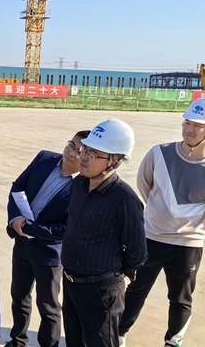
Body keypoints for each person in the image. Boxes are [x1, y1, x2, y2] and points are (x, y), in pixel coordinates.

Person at [119, 97, 205, 347]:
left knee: (181, 299)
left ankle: (172, 341)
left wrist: (195, 229)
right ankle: (119, 334)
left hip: (187, 246)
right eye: (187, 122)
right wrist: (158, 215)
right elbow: (144, 185)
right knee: (135, 290)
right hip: (150, 238)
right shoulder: (158, 153)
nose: (189, 129)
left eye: (197, 125)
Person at [61, 118, 147, 347]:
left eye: (93, 153)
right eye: (85, 149)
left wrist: (114, 275)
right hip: (70, 283)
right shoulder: (78, 184)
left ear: (114, 161)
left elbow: (138, 253)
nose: (84, 156)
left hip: (100, 291)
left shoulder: (125, 199)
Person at [5, 130, 90, 347]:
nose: (71, 153)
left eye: (79, 151)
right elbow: (17, 187)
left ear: (86, 156)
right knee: (19, 296)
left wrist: (31, 228)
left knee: (48, 306)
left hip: (49, 252)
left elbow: (67, 229)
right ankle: (17, 340)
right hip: (22, 243)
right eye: (71, 145)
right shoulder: (44, 158)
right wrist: (15, 219)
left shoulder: (83, 187)